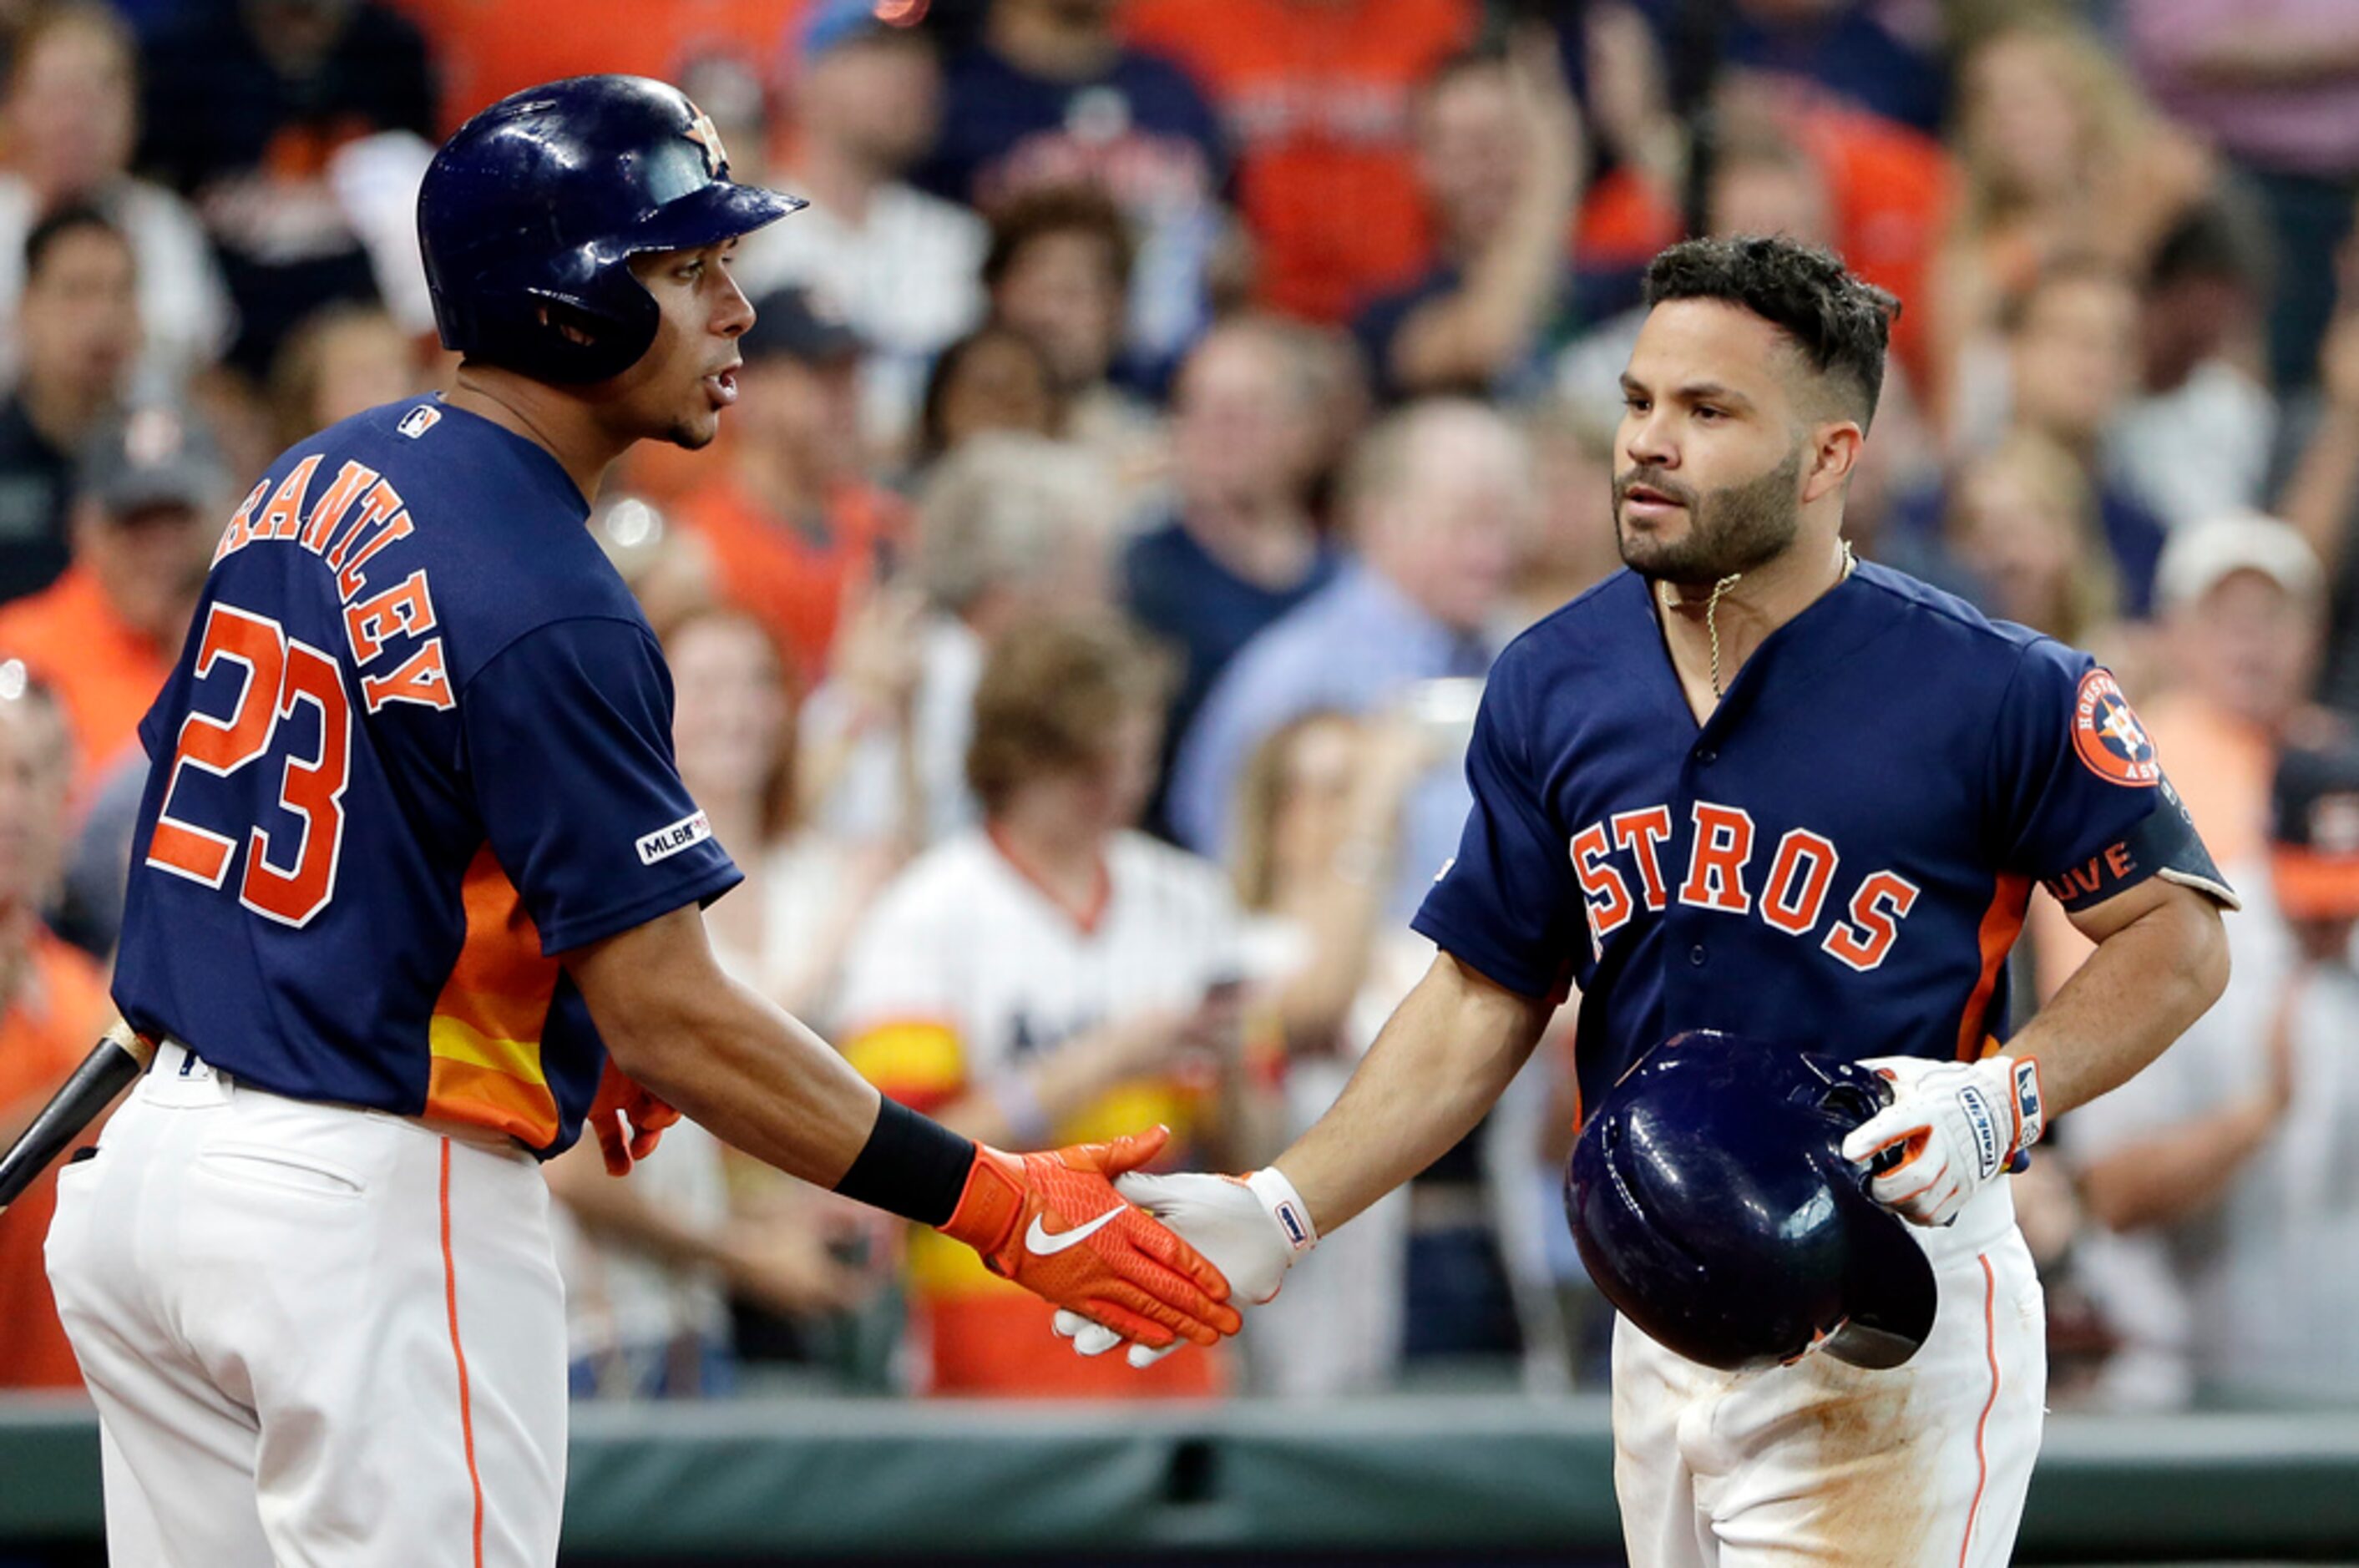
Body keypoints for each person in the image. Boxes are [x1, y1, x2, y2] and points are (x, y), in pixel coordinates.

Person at [41, 78, 1237, 1568]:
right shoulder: (547, 586)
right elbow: (677, 1013)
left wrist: (567, 1019)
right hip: (355, 1207)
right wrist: (993, 1197)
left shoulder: (312, 472)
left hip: (148, 1190)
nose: (737, 308)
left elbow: (226, 815)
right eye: (688, 270)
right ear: (566, 300)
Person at [1068, 236, 2234, 1568]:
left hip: (1883, 1283)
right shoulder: (1551, 676)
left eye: (1707, 410)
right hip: (1653, 1284)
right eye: (1637, 403)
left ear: (1829, 455)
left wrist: (2007, 1091)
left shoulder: (2000, 686)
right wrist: (1288, 1203)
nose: (1649, 444)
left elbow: (2178, 939)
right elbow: (1482, 988)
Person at [834, 610, 1268, 1396]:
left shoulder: (1188, 895)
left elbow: (1253, 1148)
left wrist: (1231, 1059)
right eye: (1094, 764)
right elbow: (897, 1160)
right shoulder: (927, 911)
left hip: (1167, 1298)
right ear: (1025, 757)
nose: (1123, 784)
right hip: (993, 1307)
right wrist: (1109, 1057)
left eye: (1135, 756)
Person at [2072, 732, 2359, 1408]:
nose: (2331, 920)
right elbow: (2107, 1194)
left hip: (2342, 1392)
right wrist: (2255, 1119)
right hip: (2187, 1389)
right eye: (2315, 895)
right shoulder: (2189, 943)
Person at [732, 4, 988, 458]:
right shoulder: (741, 232)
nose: (912, 72)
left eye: (920, 52)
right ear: (800, 76)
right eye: (877, 50)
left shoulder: (963, 241)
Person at [1120, 317, 1341, 832]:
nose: (1219, 432)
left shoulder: (1347, 585)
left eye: (1246, 413)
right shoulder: (1137, 576)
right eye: (1199, 409)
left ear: (1305, 431)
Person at [668, 285, 906, 690]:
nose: (848, 396)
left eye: (852, 375)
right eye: (824, 375)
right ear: (747, 387)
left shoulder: (889, 524)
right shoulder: (696, 551)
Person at [0, 3, 232, 395]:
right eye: (58, 93)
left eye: (98, 94)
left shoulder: (163, 223)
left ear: (134, 111)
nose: (75, 119)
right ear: (15, 105)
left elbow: (190, 355)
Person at [0, 401, 230, 797]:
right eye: (135, 523)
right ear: (83, 527)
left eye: (179, 521)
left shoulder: (244, 648)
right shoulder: (20, 652)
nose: (161, 551)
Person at [1349, 32, 1587, 406]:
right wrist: (1554, 178)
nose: (1487, 168)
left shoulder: (1615, 278)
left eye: (1505, 141)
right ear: (1422, 164)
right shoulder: (1386, 314)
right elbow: (1487, 342)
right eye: (1464, 147)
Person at [0, 669, 113, 1389]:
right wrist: (98, 1076)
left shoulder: (84, 993)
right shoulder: (106, 1029)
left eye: (33, 774)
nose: (12, 806)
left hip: (84, 1441)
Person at [0, 204, 141, 603]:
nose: (103, 317)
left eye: (122, 292)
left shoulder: (175, 459)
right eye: (77, 292)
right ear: (26, 309)